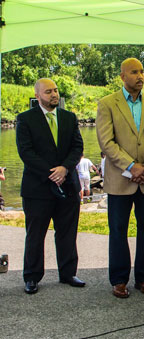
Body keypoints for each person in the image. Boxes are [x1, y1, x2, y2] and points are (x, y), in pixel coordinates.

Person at [96, 58, 144, 298]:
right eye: (134, 72)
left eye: (142, 71)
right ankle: (119, 280)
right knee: (118, 230)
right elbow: (106, 141)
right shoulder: (107, 104)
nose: (140, 76)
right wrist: (130, 166)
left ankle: (143, 279)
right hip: (120, 180)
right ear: (122, 76)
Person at [16, 78, 85, 294]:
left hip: (68, 185)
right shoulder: (25, 119)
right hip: (37, 188)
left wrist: (64, 169)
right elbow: (26, 152)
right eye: (48, 92)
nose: (54, 95)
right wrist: (51, 173)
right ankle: (32, 277)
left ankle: (68, 273)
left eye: (55, 90)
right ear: (37, 96)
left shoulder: (69, 117)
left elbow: (77, 147)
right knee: (35, 234)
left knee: (67, 232)